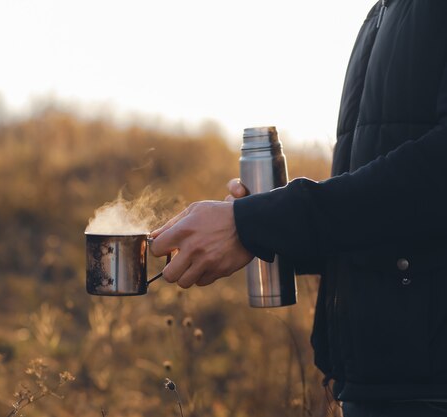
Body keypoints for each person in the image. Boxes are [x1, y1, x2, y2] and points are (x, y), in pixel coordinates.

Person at [149, 1, 447, 416]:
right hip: (380, 379)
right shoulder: (386, 11)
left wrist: (254, 222)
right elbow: (391, 217)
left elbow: (436, 177)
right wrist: (267, 228)